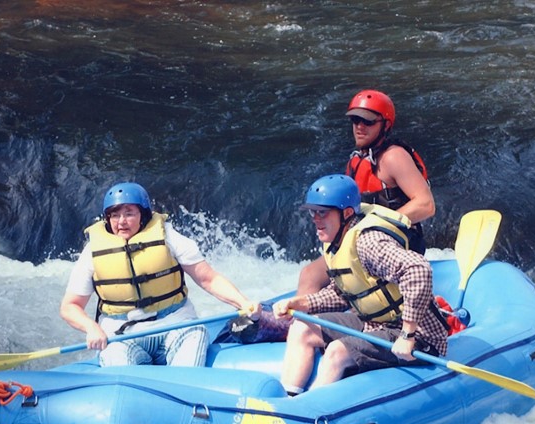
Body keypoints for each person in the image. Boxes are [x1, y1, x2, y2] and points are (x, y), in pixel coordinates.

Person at [272, 174, 447, 396]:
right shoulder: (337, 240)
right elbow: (345, 291)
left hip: (418, 336)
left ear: (346, 214)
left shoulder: (368, 241)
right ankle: (288, 400)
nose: (315, 218)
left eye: (323, 212)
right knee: (301, 328)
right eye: (313, 212)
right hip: (373, 324)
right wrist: (303, 302)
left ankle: (306, 414)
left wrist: (408, 334)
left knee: (336, 351)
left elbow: (418, 269)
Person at [60, 182, 259, 367]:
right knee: (115, 356)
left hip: (175, 325)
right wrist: (91, 327)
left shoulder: (169, 237)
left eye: (129, 213)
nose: (121, 221)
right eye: (114, 215)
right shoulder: (93, 251)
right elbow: (70, 307)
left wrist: (242, 303)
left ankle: (185, 394)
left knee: (196, 333)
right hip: (123, 335)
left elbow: (208, 278)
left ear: (143, 215)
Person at [296, 89, 435, 295]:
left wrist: (375, 227)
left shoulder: (394, 157)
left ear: (385, 125)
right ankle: (301, 325)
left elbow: (426, 204)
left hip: (396, 246)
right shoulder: (356, 161)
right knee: (310, 274)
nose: (360, 127)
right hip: (362, 244)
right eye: (355, 120)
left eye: (368, 122)